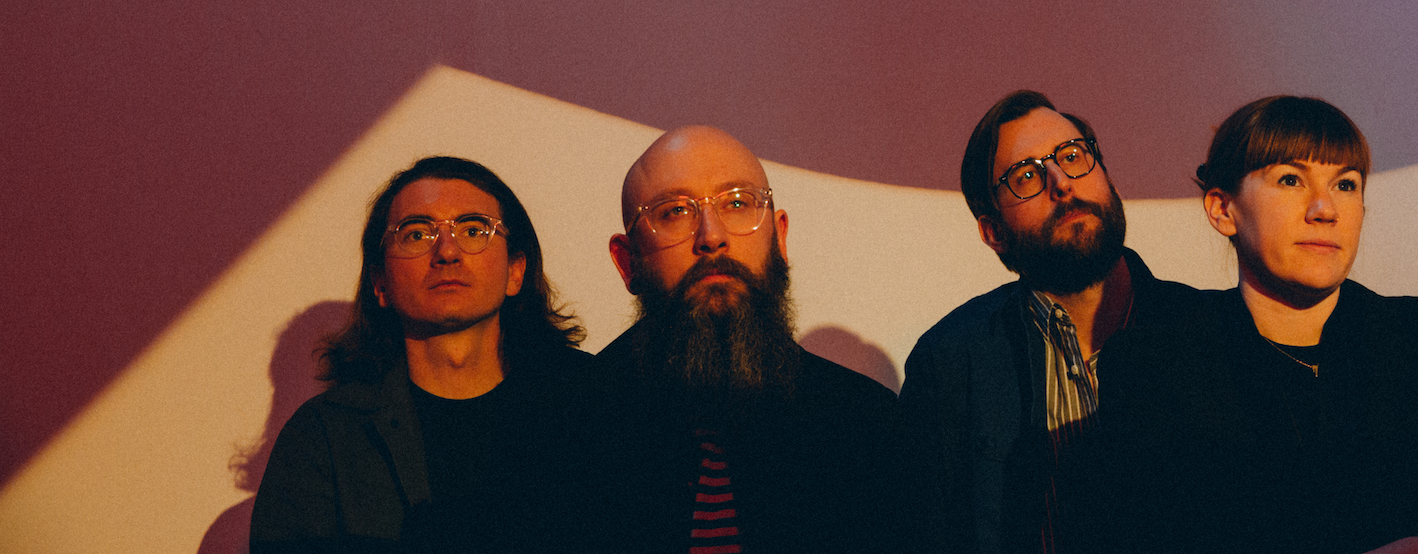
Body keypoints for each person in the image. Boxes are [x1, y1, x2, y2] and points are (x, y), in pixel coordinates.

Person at [1068, 94, 1418, 554]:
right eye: (1291, 180)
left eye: (1346, 185)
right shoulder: (1154, 366)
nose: (1324, 209)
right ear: (1222, 209)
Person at [898, 89, 1202, 554]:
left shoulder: (1208, 330)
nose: (1061, 183)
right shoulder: (949, 363)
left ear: (1108, 177)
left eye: (1073, 156)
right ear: (993, 232)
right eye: (1026, 176)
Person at [581, 124, 902, 554]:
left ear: (780, 236)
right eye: (674, 212)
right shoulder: (571, 428)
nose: (711, 236)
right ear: (627, 261)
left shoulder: (865, 426)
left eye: (736, 203)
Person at [249, 155, 589, 554]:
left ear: (515, 271)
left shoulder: (591, 403)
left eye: (473, 230)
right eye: (416, 235)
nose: (447, 252)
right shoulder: (324, 438)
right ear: (380, 283)